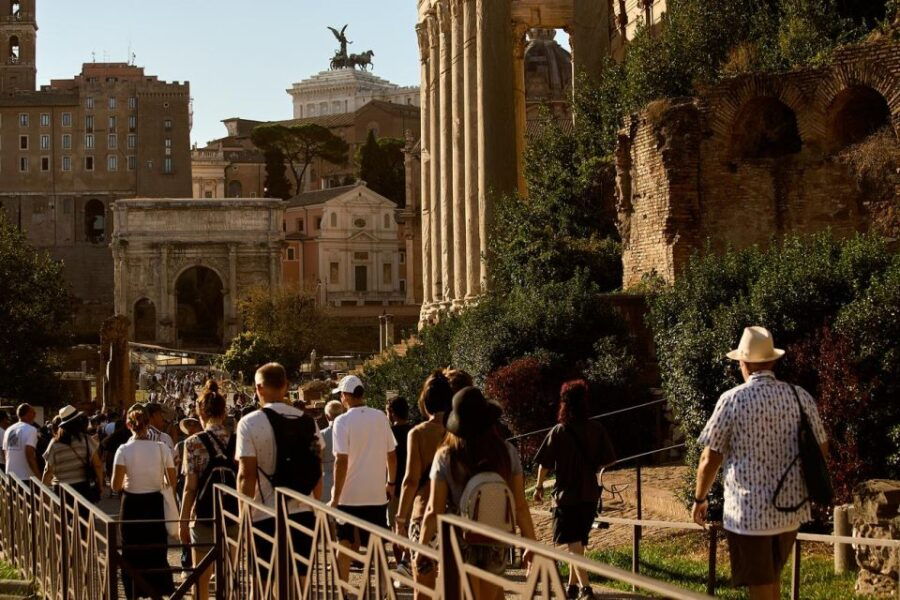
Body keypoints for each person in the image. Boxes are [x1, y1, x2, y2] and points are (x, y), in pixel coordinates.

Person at [692, 327, 828, 600]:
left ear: (743, 363)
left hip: (748, 513)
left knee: (760, 586)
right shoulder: (800, 396)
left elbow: (709, 458)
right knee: (771, 580)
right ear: (772, 361)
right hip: (791, 509)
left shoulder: (732, 400)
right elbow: (821, 448)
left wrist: (699, 499)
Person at [418, 387, 537, 600]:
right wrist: (530, 543)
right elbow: (520, 505)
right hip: (495, 536)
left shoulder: (446, 456)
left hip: (458, 538)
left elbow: (434, 510)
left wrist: (422, 546)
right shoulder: (506, 452)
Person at [236, 363, 323, 587]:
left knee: (264, 585)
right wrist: (317, 508)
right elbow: (316, 469)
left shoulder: (249, 423)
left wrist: (243, 517)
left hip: (265, 513)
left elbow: (247, 476)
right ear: (286, 386)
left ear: (258, 388)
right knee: (301, 584)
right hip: (303, 511)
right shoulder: (308, 422)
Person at [533, 380, 617, 600]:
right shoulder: (596, 428)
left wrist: (539, 486)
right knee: (578, 541)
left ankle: (586, 588)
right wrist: (591, 466)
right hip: (589, 494)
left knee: (573, 542)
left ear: (564, 404)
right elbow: (609, 459)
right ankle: (571, 587)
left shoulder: (559, 431)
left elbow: (544, 464)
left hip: (566, 496)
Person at [329, 375, 397, 581]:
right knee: (377, 547)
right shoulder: (380, 417)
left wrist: (335, 497)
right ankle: (383, 590)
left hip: (348, 496)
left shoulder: (341, 421)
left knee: (344, 544)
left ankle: (342, 590)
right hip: (375, 494)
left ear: (345, 396)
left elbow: (341, 461)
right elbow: (391, 454)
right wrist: (391, 482)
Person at [395, 371, 453, 596]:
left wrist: (400, 519)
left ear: (425, 403)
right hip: (455, 517)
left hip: (424, 515)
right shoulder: (459, 431)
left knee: (423, 589)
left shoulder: (418, 433)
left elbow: (410, 480)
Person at [111, 404, 176, 599]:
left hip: (131, 504)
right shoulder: (162, 448)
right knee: (156, 548)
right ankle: (157, 590)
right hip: (155, 502)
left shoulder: (123, 449)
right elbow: (172, 481)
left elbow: (115, 485)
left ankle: (133, 590)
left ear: (128, 425)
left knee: (131, 550)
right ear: (148, 424)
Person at [179, 382, 234, 600]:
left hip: (204, 516)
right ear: (224, 412)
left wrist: (183, 521)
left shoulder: (193, 442)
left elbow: (190, 488)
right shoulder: (237, 439)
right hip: (232, 515)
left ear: (200, 413)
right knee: (228, 575)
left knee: (201, 577)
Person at [42, 406, 105, 502]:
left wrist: (43, 492)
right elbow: (97, 465)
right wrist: (100, 485)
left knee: (64, 512)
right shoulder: (86, 440)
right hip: (83, 488)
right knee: (83, 512)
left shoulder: (54, 444)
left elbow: (48, 470)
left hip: (61, 489)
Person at [386, 397, 412, 529]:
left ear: (391, 413)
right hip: (413, 487)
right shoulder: (414, 431)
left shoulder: (389, 433)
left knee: (395, 526)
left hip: (394, 487)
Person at [2, 404, 40, 480]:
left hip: (10, 475)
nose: (35, 415)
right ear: (28, 414)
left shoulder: (9, 429)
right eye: (33, 412)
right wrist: (38, 475)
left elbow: (5, 452)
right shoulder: (31, 430)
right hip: (26, 476)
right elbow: (29, 454)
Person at [320, 400, 345, 504]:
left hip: (326, 481)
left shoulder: (321, 435)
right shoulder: (348, 432)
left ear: (327, 416)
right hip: (346, 480)